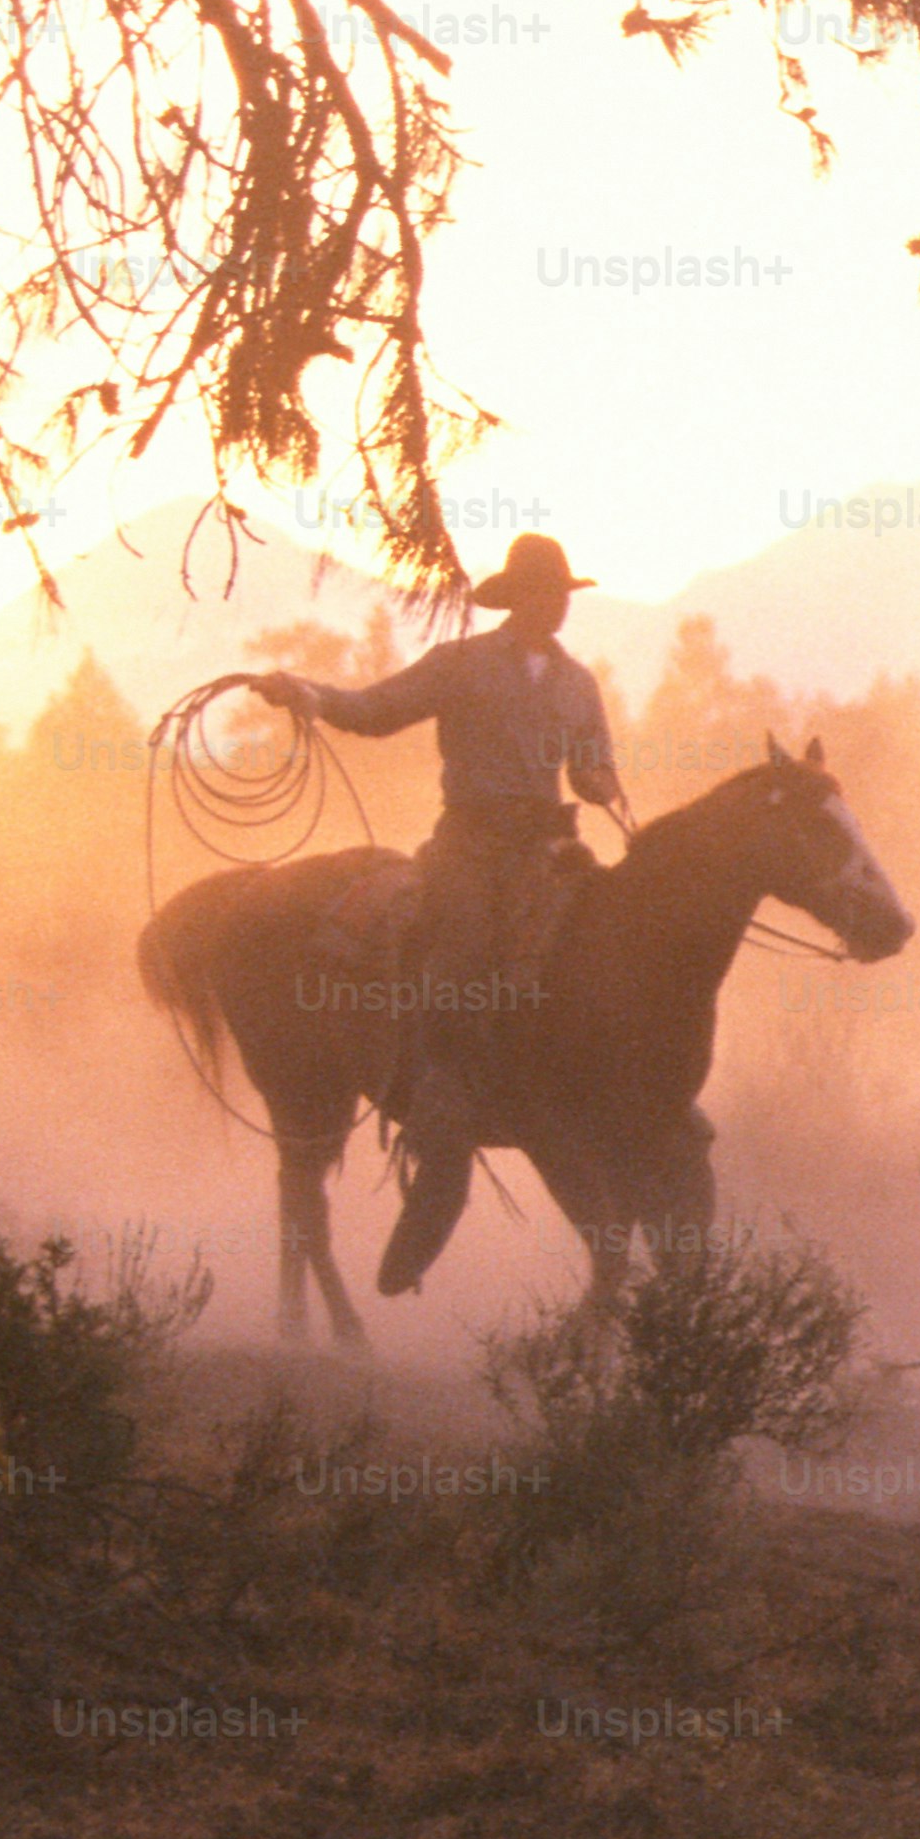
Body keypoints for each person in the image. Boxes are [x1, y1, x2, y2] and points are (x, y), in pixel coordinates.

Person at [252, 531, 623, 1292]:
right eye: (545, 594)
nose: (556, 606)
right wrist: (313, 695)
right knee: (459, 956)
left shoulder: (577, 683)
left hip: (546, 851)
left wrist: (596, 779)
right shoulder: (461, 667)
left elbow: (594, 762)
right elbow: (377, 710)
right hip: (469, 850)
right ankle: (440, 1112)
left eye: (562, 595)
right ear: (517, 599)